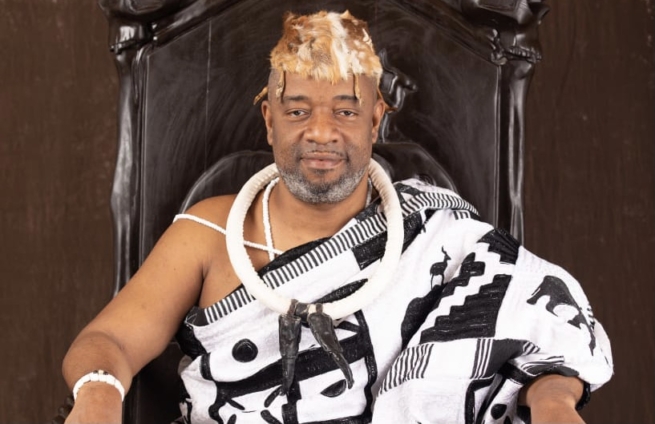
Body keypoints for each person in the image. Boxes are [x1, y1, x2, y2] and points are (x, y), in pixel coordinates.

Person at [62, 10, 613, 424]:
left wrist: (555, 401)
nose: (321, 131)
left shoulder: (437, 232)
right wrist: (97, 395)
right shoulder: (211, 232)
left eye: (345, 111)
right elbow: (110, 340)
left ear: (375, 120)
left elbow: (542, 327)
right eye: (298, 109)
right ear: (270, 120)